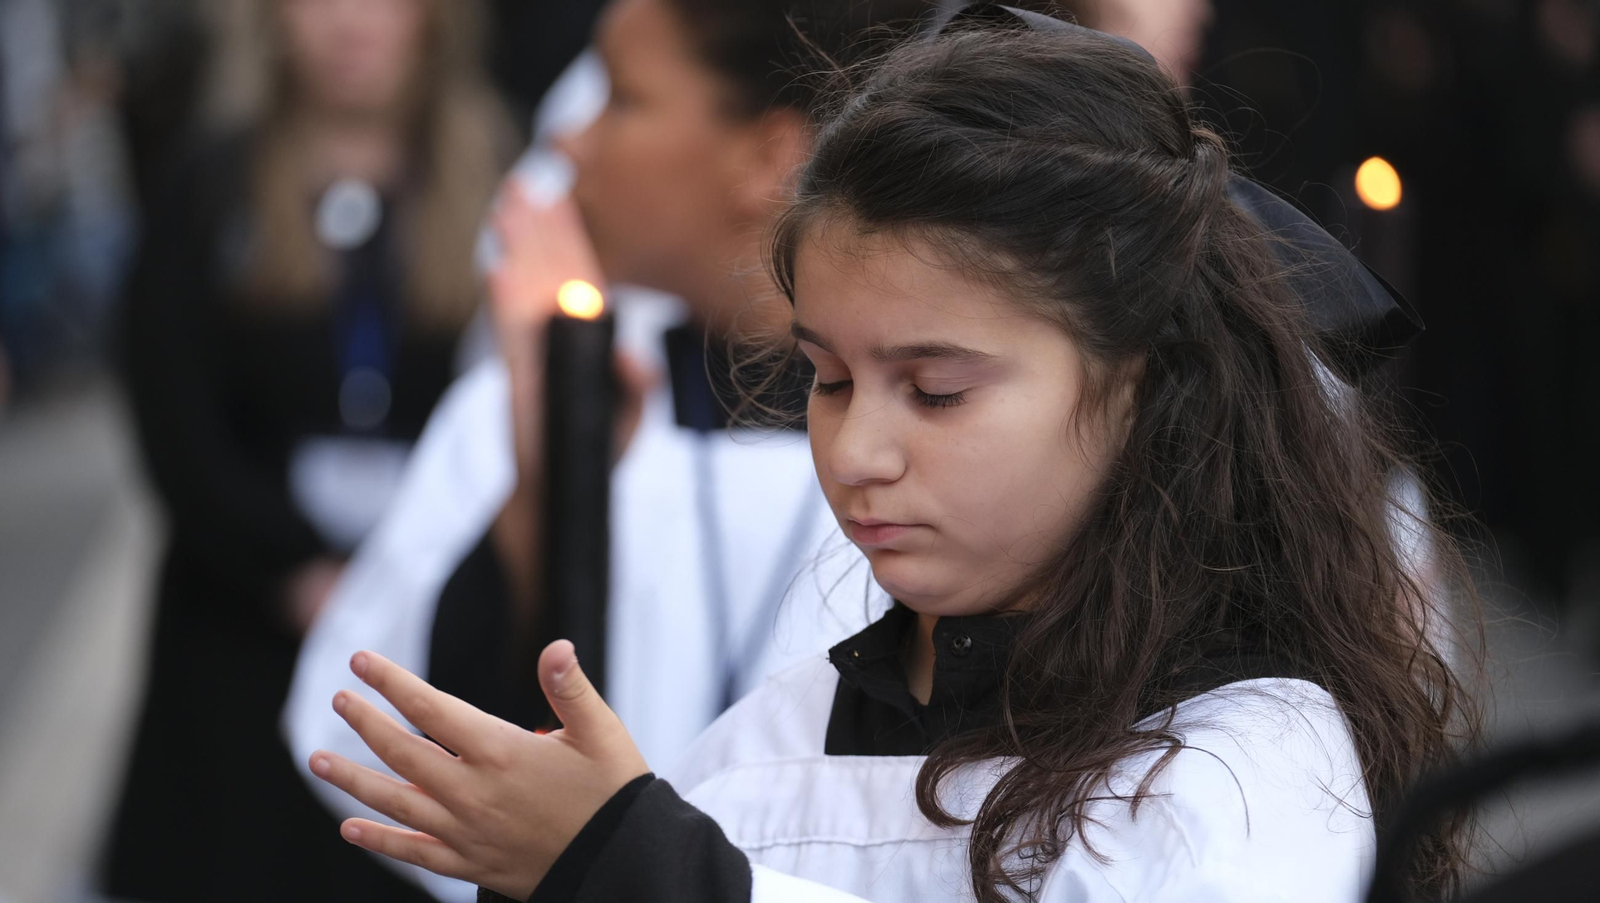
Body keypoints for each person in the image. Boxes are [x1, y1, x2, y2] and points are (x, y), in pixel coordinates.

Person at [303, 5, 1483, 902]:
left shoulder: (1242, 765)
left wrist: (644, 868)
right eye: (826, 379)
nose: (858, 450)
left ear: (1145, 385)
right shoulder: (786, 732)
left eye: (934, 390)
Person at [282, 8, 939, 899]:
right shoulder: (547, 391)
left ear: (768, 156)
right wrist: (541, 486)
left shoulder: (938, 451)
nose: (572, 140)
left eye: (623, 100)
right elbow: (364, 718)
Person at [101, 0, 513, 899]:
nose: (350, 21)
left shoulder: (502, 181)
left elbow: (512, 410)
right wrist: (286, 569)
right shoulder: (213, 185)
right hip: (238, 625)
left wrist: (422, 576)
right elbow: (172, 408)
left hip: (429, 633)